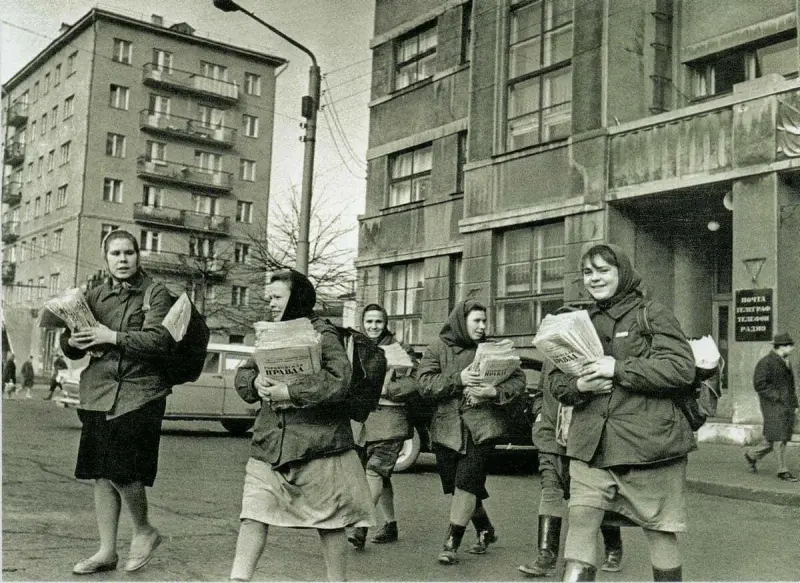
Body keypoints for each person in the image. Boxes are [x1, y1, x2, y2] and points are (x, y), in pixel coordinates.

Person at [549, 243, 696, 582]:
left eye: (603, 270)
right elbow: (557, 382)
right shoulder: (578, 321)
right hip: (591, 445)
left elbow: (681, 369)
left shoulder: (652, 313)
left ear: (623, 273)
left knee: (659, 529)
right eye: (588, 272)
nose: (594, 278)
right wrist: (580, 386)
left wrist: (617, 368)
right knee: (581, 518)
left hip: (649, 448)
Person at [230, 269, 373, 582]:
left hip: (318, 447)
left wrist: (289, 391)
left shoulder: (323, 333)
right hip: (270, 445)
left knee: (330, 523)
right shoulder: (269, 333)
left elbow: (340, 380)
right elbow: (244, 374)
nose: (270, 303)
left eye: (277, 297)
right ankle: (238, 579)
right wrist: (255, 382)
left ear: (297, 298)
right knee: (253, 515)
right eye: (269, 298)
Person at [61, 229, 175, 575]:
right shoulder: (94, 295)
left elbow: (159, 340)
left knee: (122, 469)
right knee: (100, 473)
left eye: (129, 252)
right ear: (106, 258)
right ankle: (107, 551)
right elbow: (71, 344)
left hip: (139, 393)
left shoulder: (155, 293)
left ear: (138, 256)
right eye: (116, 253)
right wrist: (73, 341)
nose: (123, 259)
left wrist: (111, 336)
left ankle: (144, 529)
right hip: (98, 393)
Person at [416, 299, 526, 565]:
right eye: (476, 320)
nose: (482, 326)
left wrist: (494, 391)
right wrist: (459, 379)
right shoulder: (437, 348)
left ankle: (451, 543)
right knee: (460, 487)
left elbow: (519, 379)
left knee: (466, 482)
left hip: (482, 428)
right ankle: (485, 529)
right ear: (460, 322)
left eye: (484, 321)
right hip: (447, 429)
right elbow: (424, 384)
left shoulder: (493, 349)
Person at [518, 309, 624, 578]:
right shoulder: (550, 359)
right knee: (550, 490)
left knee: (593, 498)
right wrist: (539, 414)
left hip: (584, 437)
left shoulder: (595, 355)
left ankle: (613, 547)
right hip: (550, 436)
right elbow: (542, 392)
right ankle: (546, 556)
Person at [347, 303, 419, 550]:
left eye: (378, 321)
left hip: (391, 421)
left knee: (375, 471)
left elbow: (416, 381)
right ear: (363, 323)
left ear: (385, 323)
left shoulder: (400, 348)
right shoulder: (355, 346)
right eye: (369, 321)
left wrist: (388, 389)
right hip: (363, 422)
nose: (373, 326)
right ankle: (390, 524)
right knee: (380, 475)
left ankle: (361, 526)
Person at [744, 333, 798, 482]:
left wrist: (795, 404)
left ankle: (752, 455)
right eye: (789, 345)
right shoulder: (766, 362)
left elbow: (791, 386)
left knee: (775, 437)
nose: (792, 348)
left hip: (786, 404)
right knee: (780, 437)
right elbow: (759, 384)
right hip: (773, 405)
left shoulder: (785, 361)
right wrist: (777, 396)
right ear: (781, 346)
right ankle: (782, 470)